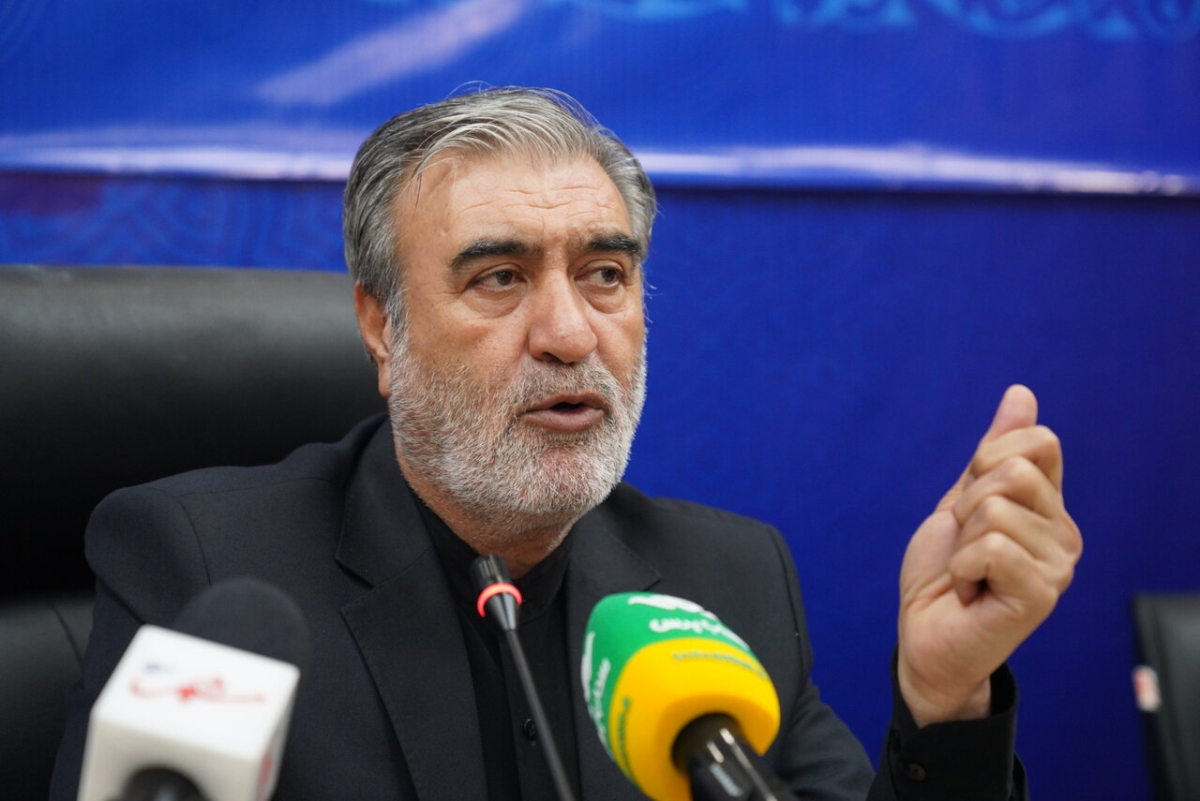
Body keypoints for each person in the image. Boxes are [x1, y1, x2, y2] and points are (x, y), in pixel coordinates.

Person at [52, 87, 1082, 800]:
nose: (570, 334)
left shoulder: (727, 581)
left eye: (605, 275)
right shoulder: (206, 569)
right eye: (499, 277)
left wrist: (946, 702)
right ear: (381, 326)